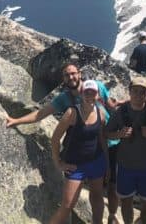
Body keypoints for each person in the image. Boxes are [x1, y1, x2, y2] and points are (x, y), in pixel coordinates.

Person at [5, 62, 121, 223]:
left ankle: (111, 216)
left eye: (73, 73)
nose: (71, 77)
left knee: (109, 188)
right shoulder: (66, 101)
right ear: (63, 79)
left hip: (107, 145)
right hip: (82, 153)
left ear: (79, 74)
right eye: (67, 75)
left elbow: (110, 106)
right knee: (71, 203)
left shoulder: (98, 88)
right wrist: (16, 121)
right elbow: (41, 114)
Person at [51, 79, 109, 224]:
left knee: (97, 197)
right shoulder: (72, 113)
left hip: (96, 161)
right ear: (82, 94)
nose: (89, 95)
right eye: (86, 92)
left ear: (98, 95)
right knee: (67, 205)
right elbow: (55, 138)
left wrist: (107, 163)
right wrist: (58, 163)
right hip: (75, 165)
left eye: (93, 92)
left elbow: (101, 139)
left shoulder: (100, 113)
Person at [106, 77, 146, 224]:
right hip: (125, 166)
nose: (138, 95)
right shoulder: (120, 112)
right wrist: (119, 134)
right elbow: (107, 133)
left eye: (142, 92)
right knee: (126, 201)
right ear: (129, 92)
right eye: (135, 91)